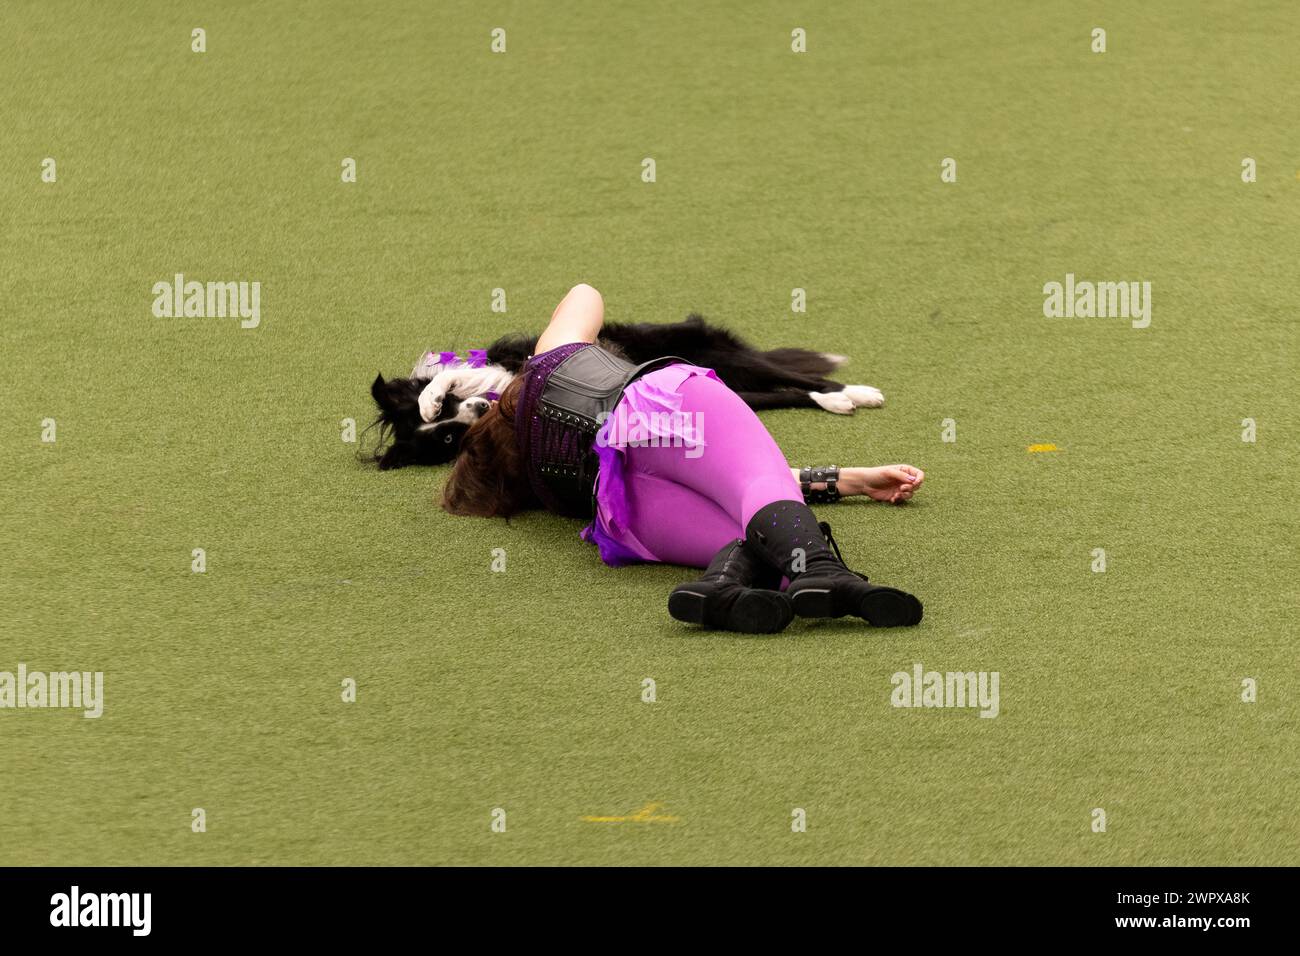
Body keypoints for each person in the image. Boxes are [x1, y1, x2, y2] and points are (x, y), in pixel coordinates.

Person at [437, 284, 925, 633]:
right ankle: (825, 572)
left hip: (625, 507)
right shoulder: (548, 362)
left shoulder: (546, 489)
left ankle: (722, 589)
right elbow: (584, 292)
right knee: (756, 480)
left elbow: (717, 478)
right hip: (659, 406)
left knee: (751, 532)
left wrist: (850, 481)